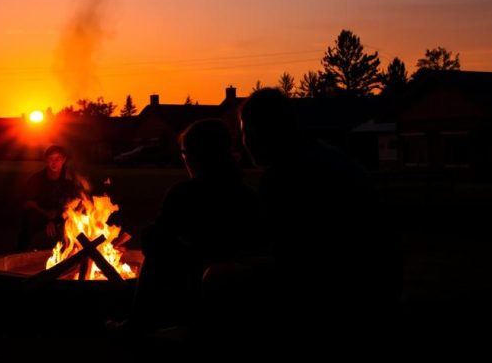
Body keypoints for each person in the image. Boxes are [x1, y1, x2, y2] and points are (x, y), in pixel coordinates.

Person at [238, 88, 401, 356]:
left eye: (244, 132)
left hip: (335, 299)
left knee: (221, 280)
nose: (242, 142)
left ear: (256, 133)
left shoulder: (283, 176)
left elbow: (291, 257)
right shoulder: (333, 159)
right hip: (381, 289)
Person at [129, 119, 261, 332]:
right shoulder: (247, 194)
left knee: (155, 254)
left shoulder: (184, 193)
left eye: (184, 154)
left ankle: (138, 323)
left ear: (194, 155)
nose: (185, 160)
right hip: (240, 291)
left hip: (193, 281)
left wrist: (149, 234)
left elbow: (156, 241)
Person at [16, 144, 80, 251]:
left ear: (63, 160)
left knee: (72, 227)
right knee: (29, 223)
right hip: (39, 216)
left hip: (61, 218)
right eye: (51, 159)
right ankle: (20, 254)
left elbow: (74, 204)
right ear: (46, 160)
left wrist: (55, 220)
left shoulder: (69, 181)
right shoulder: (36, 179)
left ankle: (71, 257)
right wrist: (46, 218)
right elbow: (27, 203)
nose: (54, 163)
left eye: (58, 159)